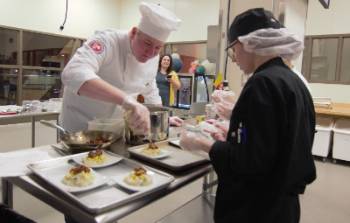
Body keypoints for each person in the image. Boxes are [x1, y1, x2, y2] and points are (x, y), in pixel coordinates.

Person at [180, 8, 316, 223]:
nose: (234, 60)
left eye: (233, 50)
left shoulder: (261, 83)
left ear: (246, 44)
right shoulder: (293, 81)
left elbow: (249, 164)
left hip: (256, 209)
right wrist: (234, 134)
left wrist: (202, 144)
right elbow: (277, 142)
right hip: (283, 206)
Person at [61, 2, 182, 136]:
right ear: (134, 33)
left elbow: (150, 88)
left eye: (158, 47)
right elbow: (73, 73)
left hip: (116, 133)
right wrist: (126, 100)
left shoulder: (153, 57)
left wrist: (162, 118)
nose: (151, 52)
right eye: (147, 43)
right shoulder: (108, 41)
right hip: (81, 130)